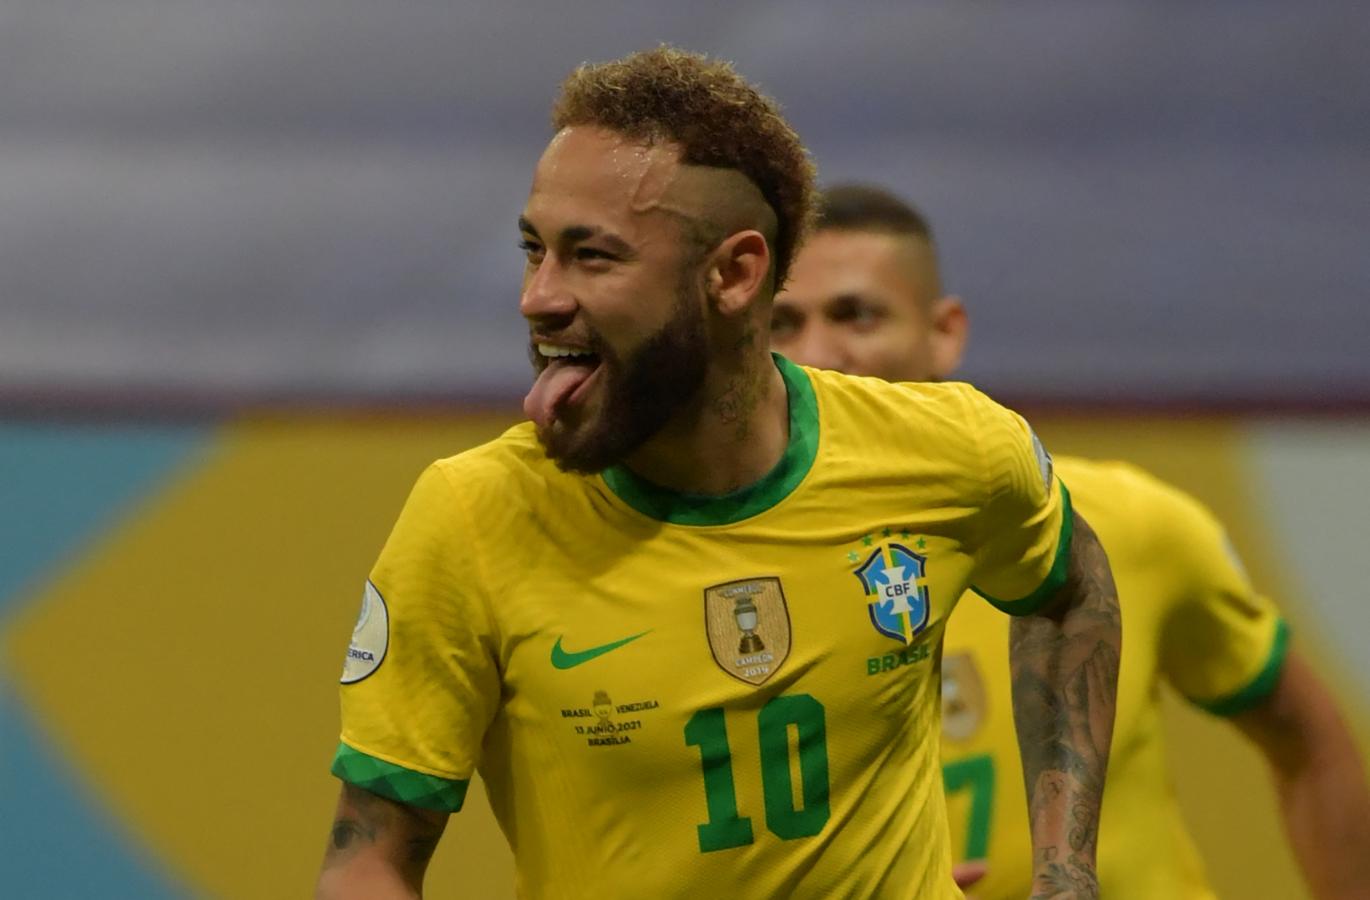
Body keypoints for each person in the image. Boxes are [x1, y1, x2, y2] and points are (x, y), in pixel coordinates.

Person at [314, 49, 1122, 900]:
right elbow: (369, 861)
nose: (539, 297)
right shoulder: (473, 516)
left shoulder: (951, 451)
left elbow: (1071, 592)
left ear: (734, 274)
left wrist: (1065, 876)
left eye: (592, 256)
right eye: (534, 249)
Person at [771, 183, 1370, 899]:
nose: (820, 355)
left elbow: (1307, 739)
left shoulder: (1116, 523)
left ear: (945, 333)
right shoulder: (733, 571)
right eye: (781, 324)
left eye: (857, 315)